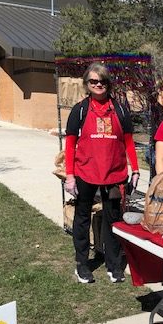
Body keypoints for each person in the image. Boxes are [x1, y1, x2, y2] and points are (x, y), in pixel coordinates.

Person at [64, 63, 140, 284]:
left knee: (112, 219)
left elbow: (128, 142)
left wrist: (135, 170)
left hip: (114, 175)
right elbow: (70, 144)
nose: (98, 85)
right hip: (85, 173)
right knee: (82, 218)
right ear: (87, 84)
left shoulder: (121, 110)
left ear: (108, 84)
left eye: (102, 81)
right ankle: (82, 264)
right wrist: (70, 175)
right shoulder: (79, 110)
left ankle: (114, 264)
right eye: (93, 81)